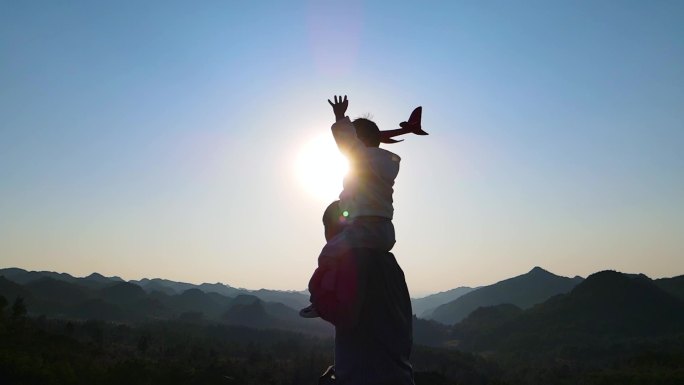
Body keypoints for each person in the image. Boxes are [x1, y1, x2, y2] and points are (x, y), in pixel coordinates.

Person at [301, 95, 427, 318]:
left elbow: (347, 141)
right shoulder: (386, 165)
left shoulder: (360, 158)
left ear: (358, 140)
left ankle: (320, 300)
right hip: (386, 232)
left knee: (328, 255)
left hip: (362, 228)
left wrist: (340, 116)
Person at [315, 200, 415, 385]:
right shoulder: (390, 263)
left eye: (326, 228)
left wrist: (318, 296)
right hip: (400, 376)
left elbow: (346, 315)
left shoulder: (352, 261)